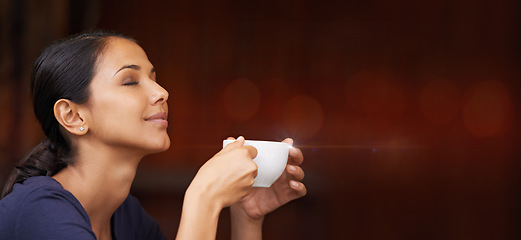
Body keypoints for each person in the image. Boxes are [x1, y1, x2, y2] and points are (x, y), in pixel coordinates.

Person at [0, 31, 307, 240]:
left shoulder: (126, 217)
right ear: (73, 116)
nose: (162, 92)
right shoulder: (39, 210)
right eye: (130, 81)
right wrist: (203, 196)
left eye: (154, 79)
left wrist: (247, 218)